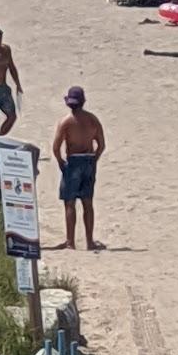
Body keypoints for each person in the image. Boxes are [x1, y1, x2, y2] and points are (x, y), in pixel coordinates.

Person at [51, 85, 106, 250]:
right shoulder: (93, 120)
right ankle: (89, 242)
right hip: (88, 160)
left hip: (73, 161)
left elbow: (56, 147)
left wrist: (61, 162)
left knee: (70, 203)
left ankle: (70, 241)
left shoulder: (66, 122)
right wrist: (94, 159)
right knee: (87, 202)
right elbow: (101, 145)